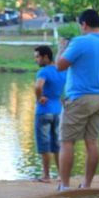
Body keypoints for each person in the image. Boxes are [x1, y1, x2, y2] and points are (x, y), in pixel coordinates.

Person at [56, 9, 99, 191]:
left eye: (79, 25)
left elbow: (60, 65)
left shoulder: (80, 42)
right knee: (92, 141)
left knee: (67, 141)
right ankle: (87, 185)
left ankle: (65, 186)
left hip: (79, 97)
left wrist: (61, 48)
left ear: (83, 24)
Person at [33, 45, 66, 183]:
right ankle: (60, 175)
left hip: (44, 111)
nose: (36, 60)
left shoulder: (44, 72)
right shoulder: (61, 71)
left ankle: (46, 175)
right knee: (56, 144)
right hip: (58, 111)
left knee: (44, 144)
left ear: (46, 57)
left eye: (37, 57)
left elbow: (38, 86)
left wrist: (39, 98)